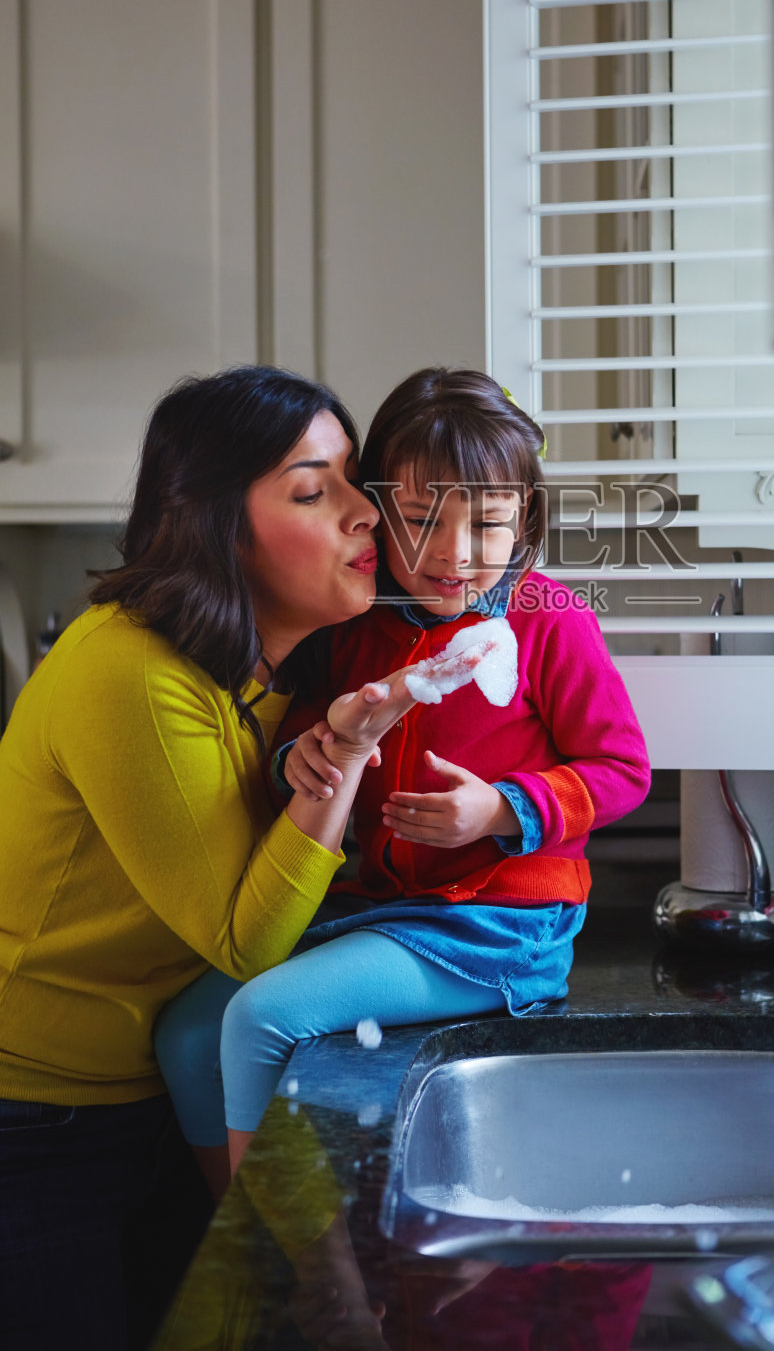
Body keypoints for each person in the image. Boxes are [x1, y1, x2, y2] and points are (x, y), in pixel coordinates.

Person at [0, 364, 439, 1351]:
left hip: (148, 1092)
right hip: (32, 1118)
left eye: (353, 481)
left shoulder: (268, 672)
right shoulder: (132, 673)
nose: (362, 512)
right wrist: (349, 763)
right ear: (214, 526)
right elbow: (245, 942)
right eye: (309, 489)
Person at [156, 367, 651, 1178]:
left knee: (260, 1016)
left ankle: (275, 1265)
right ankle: (236, 1234)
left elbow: (621, 767)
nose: (452, 555)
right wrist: (302, 758)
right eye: (420, 520)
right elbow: (303, 734)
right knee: (184, 1034)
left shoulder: (549, 619)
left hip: (497, 930)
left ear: (524, 519)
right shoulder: (359, 619)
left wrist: (501, 809)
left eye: (487, 525)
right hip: (379, 909)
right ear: (374, 511)